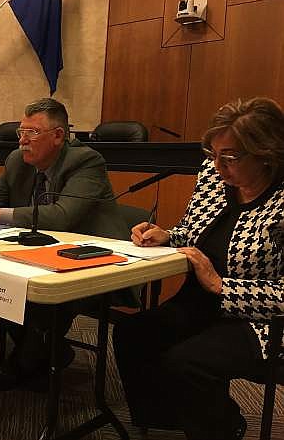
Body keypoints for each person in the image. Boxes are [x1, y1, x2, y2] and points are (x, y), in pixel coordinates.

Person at [112, 97, 284, 440]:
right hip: (201, 301)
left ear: (266, 154)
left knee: (188, 362)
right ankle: (166, 421)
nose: (217, 167)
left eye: (230, 158)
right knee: (133, 334)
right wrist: (167, 236)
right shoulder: (213, 177)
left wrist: (222, 286)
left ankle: (224, 426)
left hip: (263, 320)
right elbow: (191, 231)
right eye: (213, 155)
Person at [0, 97, 133, 390]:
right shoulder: (17, 160)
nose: (23, 140)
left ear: (59, 136)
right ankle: (49, 351)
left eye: (32, 133)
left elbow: (62, 216)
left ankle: (25, 360)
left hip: (93, 260)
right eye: (21, 132)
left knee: (36, 298)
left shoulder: (87, 161)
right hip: (39, 252)